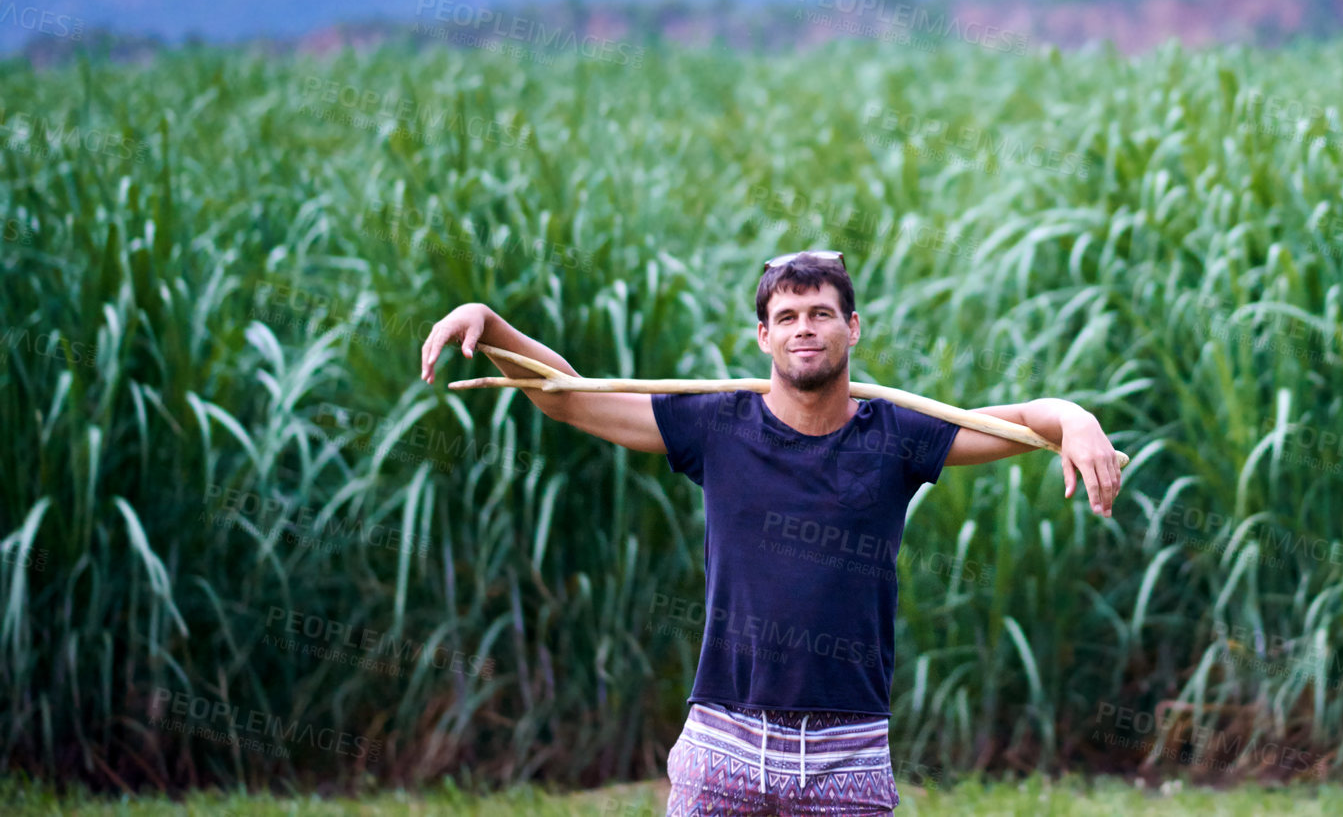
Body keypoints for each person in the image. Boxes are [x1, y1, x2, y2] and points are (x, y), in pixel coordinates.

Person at [419, 250, 1122, 815]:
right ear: (764, 336)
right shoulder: (713, 425)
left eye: (820, 312)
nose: (803, 327)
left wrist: (1073, 418)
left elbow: (1025, 419)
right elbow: (567, 397)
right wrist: (492, 323)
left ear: (853, 326)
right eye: (786, 316)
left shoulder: (898, 434)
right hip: (722, 738)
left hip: (847, 750)